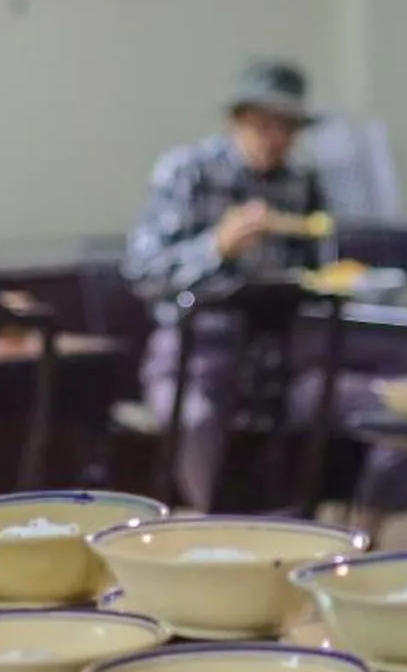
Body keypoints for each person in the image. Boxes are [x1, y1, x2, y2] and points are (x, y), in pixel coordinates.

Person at [120, 61, 329, 510]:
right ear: (238, 120)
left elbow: (314, 269)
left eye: (289, 128)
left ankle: (302, 525)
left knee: (337, 401)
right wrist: (216, 246)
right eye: (266, 125)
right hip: (192, 352)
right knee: (194, 418)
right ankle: (213, 523)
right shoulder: (187, 171)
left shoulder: (301, 182)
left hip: (275, 355)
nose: (278, 139)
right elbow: (143, 272)